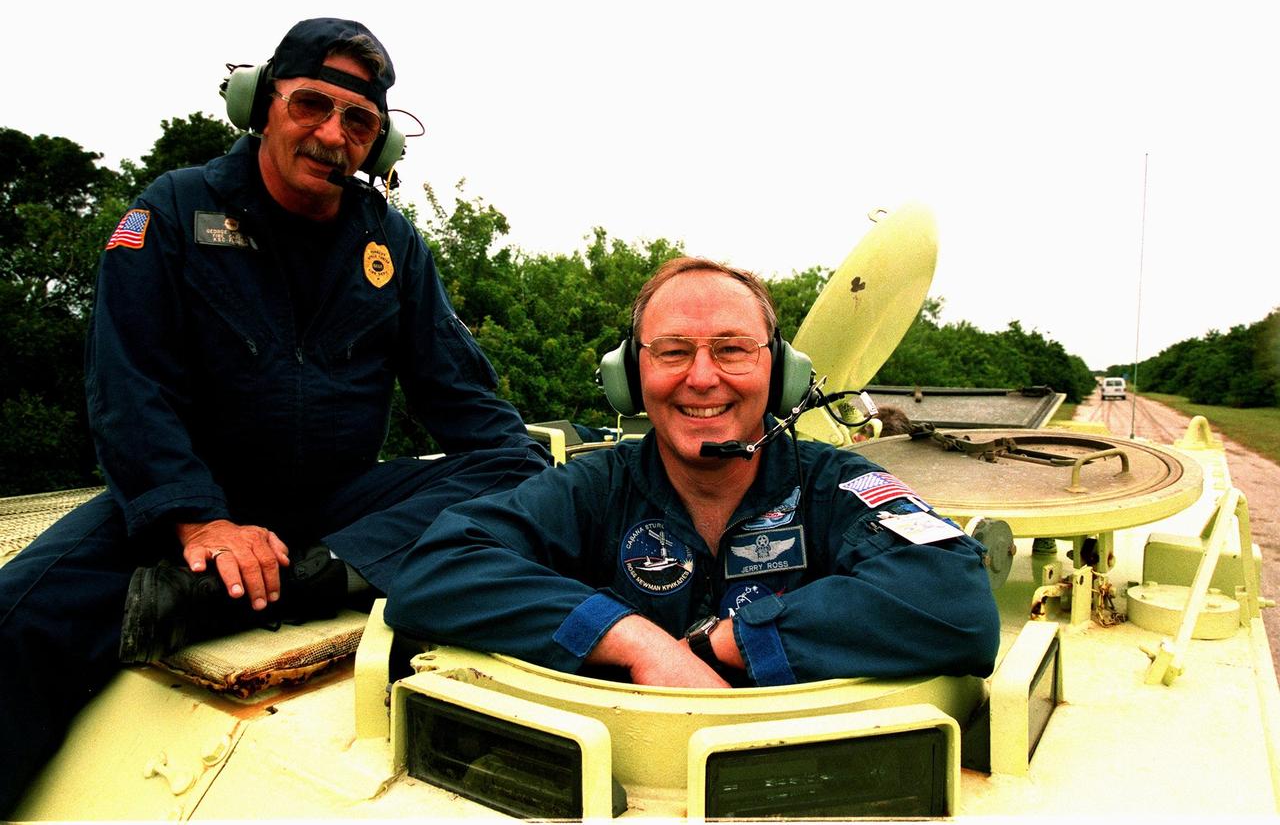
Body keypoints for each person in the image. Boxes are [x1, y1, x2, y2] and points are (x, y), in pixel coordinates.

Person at [0, 17, 547, 814]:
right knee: (15, 625)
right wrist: (197, 522)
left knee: (523, 466)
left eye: (358, 121)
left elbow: (470, 408)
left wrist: (546, 509)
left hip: (332, 519)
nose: (332, 135)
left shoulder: (391, 245)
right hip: (182, 512)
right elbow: (129, 385)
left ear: (378, 144)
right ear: (263, 105)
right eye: (311, 106)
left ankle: (295, 582)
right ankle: (235, 575)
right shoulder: (173, 211)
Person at [384, 257, 1000, 688]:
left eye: (732, 349)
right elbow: (436, 564)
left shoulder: (835, 486)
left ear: (781, 374)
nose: (701, 378)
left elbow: (957, 600)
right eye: (673, 351)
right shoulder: (592, 489)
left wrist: (723, 641)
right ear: (629, 377)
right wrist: (633, 639)